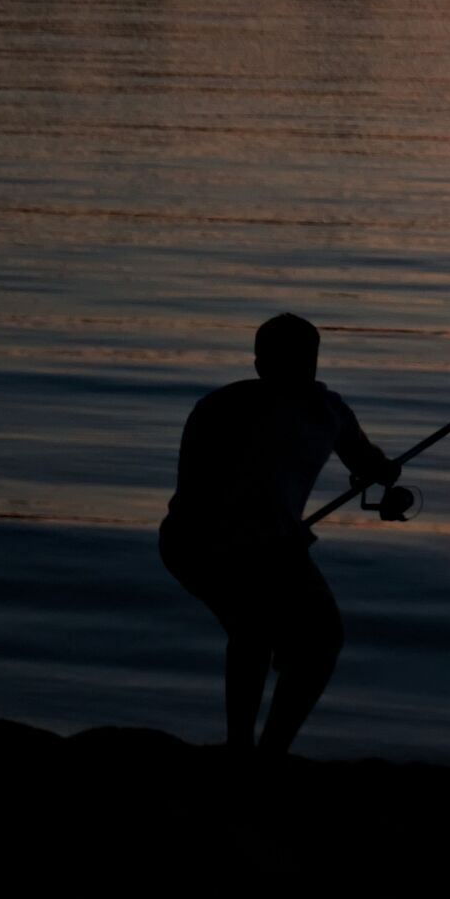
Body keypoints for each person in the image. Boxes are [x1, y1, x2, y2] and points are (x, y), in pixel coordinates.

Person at [159, 313, 398, 757]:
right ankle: (242, 748)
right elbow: (196, 499)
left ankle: (268, 752)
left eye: (302, 359)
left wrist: (382, 472)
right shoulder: (221, 409)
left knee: (320, 637)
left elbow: (364, 461)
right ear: (259, 364)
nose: (295, 368)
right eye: (285, 359)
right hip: (199, 543)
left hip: (274, 545)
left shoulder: (330, 411)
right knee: (255, 630)